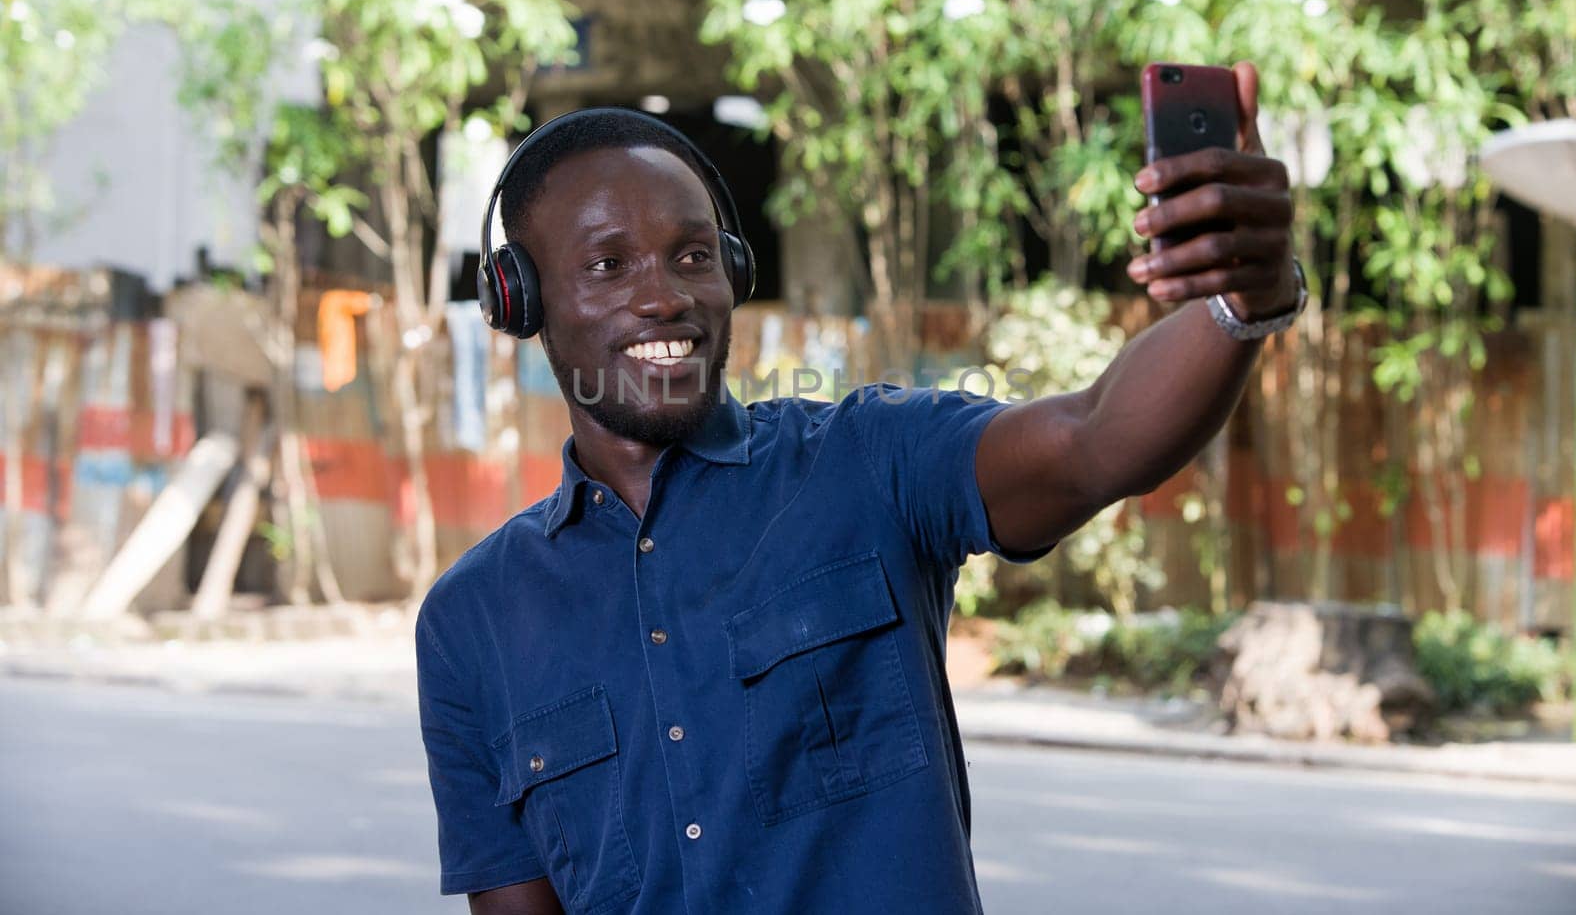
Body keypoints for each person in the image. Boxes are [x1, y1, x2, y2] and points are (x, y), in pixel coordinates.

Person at [417, 63, 1302, 915]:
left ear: (733, 273)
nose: (665, 297)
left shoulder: (870, 461)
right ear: (519, 300)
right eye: (609, 266)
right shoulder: (471, 623)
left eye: (692, 256)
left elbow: (1093, 440)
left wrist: (1240, 302)